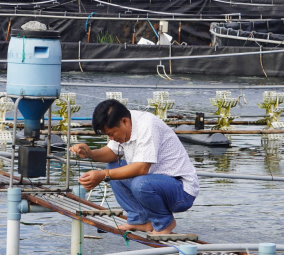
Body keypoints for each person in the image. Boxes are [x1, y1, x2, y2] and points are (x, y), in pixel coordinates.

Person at [72, 99, 199, 234]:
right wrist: (90, 153)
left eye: (111, 134)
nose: (111, 138)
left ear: (124, 122)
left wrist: (103, 174)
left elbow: (141, 168)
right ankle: (142, 220)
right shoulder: (125, 122)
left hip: (182, 191)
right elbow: (112, 153)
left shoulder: (148, 125)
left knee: (139, 182)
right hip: (156, 184)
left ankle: (164, 223)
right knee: (114, 167)